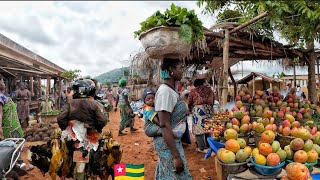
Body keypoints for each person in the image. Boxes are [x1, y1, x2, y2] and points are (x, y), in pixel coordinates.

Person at [153, 58, 192, 179]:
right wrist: (175, 156)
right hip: (168, 143)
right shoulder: (165, 92)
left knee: (168, 175)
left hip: (172, 141)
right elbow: (164, 124)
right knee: (179, 175)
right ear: (171, 70)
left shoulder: (170, 91)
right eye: (180, 68)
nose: (182, 72)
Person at [0, 82, 31, 171]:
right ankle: (17, 164)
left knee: (10, 146)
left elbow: (0, 114)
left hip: (8, 126)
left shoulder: (1, 98)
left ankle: (17, 165)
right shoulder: (3, 97)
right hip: (11, 126)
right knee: (12, 146)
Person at [188, 78, 214, 153]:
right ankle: (209, 145)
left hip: (198, 110)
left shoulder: (193, 91)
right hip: (208, 109)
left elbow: (189, 102)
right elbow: (212, 100)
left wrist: (190, 110)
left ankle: (201, 147)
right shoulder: (209, 90)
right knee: (208, 128)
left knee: (198, 129)